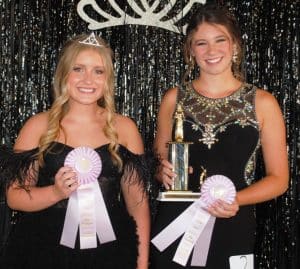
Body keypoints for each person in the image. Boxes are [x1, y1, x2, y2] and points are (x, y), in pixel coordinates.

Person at [150, 3, 288, 269]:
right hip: (175, 227)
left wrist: (236, 199)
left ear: (235, 44)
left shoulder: (263, 102)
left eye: (219, 40)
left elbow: (279, 179)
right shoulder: (173, 99)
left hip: (232, 223)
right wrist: (161, 170)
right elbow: (158, 161)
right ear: (190, 50)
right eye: (201, 43)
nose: (211, 51)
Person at [0, 33, 150, 269]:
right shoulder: (37, 126)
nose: (88, 79)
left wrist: (142, 264)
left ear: (108, 79)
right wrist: (55, 192)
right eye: (78, 69)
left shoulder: (125, 128)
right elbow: (15, 197)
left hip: (111, 251)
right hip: (43, 250)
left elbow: (138, 204)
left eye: (98, 71)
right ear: (63, 74)